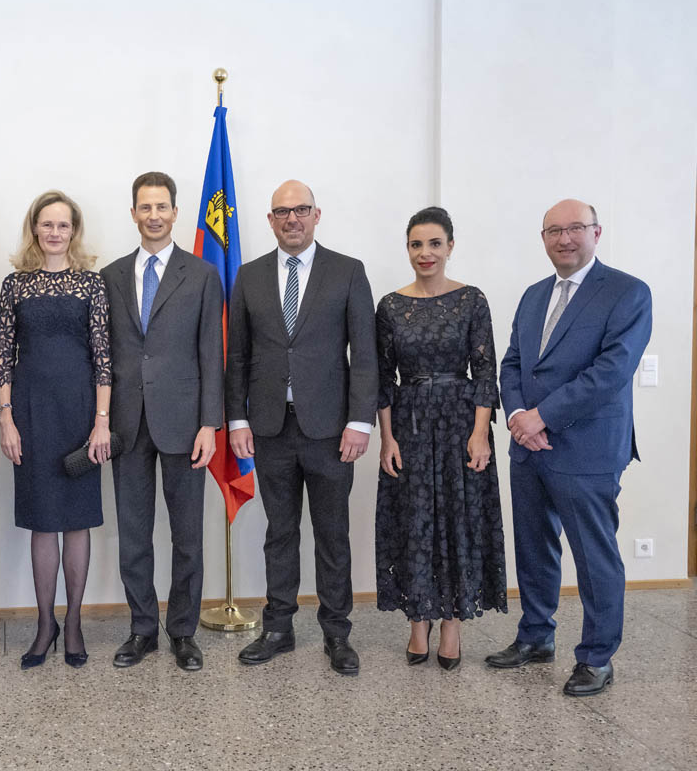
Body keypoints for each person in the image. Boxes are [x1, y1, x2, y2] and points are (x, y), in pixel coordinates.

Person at [487, 199, 651, 697]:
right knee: (534, 549)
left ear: (596, 232)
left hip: (588, 450)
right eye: (553, 230)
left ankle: (597, 658)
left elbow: (610, 372)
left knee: (594, 556)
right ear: (543, 238)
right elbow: (513, 362)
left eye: (575, 228)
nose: (564, 238)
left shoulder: (627, 292)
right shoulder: (535, 295)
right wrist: (518, 418)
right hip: (528, 446)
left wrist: (542, 417)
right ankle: (536, 636)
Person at [226, 180, 377, 675]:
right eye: (282, 212)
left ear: (317, 215)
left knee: (332, 534)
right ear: (270, 220)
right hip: (269, 428)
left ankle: (337, 633)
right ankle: (279, 628)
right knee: (280, 532)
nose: (292, 219)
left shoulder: (347, 272)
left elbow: (365, 355)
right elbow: (238, 356)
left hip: (332, 430)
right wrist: (237, 418)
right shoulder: (248, 277)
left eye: (301, 210)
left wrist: (360, 421)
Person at [100, 172, 223, 671]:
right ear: (132, 213)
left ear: (175, 213)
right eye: (144, 207)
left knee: (187, 534)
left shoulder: (201, 275)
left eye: (162, 207)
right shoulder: (109, 276)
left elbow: (212, 354)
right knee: (133, 533)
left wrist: (210, 423)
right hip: (127, 423)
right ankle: (142, 628)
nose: (153, 215)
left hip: (184, 422)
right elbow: (104, 355)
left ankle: (183, 632)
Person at [374, 206, 507, 670]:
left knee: (457, 520)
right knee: (414, 520)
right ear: (407, 249)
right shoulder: (390, 306)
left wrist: (480, 435)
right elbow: (382, 378)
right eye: (416, 244)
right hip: (408, 425)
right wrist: (387, 440)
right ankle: (417, 621)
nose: (425, 253)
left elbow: (486, 370)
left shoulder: (471, 300)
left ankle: (451, 623)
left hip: (459, 423)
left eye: (434, 243)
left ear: (450, 246)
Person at [0, 190, 111, 669]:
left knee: (78, 520)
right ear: (34, 228)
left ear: (74, 231)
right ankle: (46, 623)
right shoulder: (15, 284)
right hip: (30, 412)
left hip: (81, 411)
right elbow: (3, 355)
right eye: (47, 224)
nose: (55, 232)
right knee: (43, 521)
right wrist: (6, 418)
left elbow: (105, 357)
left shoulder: (92, 283)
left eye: (63, 225)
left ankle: (76, 621)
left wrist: (102, 422)